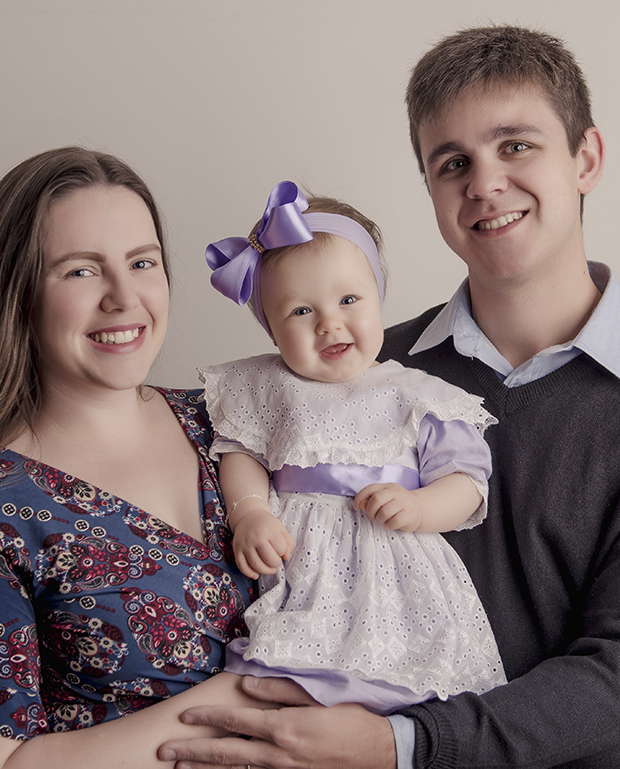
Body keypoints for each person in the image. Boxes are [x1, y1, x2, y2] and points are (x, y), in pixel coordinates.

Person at [158, 25, 620, 769]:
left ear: (586, 159)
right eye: (452, 163)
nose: (484, 184)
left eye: (516, 146)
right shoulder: (351, 374)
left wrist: (398, 750)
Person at [0, 146, 288, 769]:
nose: (124, 298)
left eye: (143, 262)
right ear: (18, 293)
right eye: (80, 271)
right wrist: (246, 694)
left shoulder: (231, 428)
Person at [199, 182, 507, 729]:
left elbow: (467, 480)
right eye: (299, 310)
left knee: (397, 691)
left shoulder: (415, 393)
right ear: (270, 325)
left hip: (394, 570)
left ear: (379, 296)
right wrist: (250, 511)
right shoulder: (264, 386)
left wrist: (422, 509)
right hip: (300, 565)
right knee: (278, 687)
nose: (329, 323)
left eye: (348, 300)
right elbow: (239, 451)